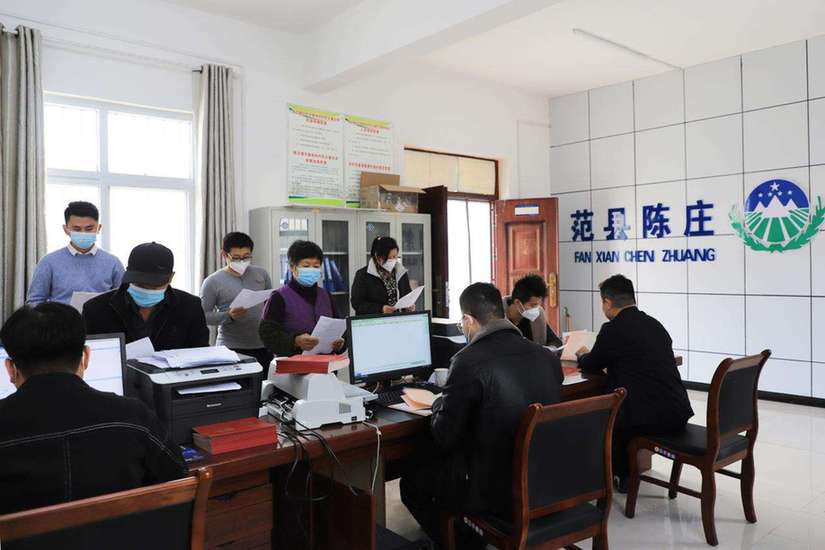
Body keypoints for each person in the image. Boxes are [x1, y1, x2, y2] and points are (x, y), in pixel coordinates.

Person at [400, 283, 563, 549]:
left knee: (413, 482)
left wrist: (438, 402)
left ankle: (464, 542)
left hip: (495, 489)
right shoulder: (545, 356)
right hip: (546, 476)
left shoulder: (467, 361)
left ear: (468, 319)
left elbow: (444, 437)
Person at [0, 302, 186, 514]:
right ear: (86, 357)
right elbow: (178, 477)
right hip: (125, 533)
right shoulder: (134, 416)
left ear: (10, 368)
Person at [577, 274, 693, 491]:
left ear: (607, 302)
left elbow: (592, 364)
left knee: (606, 413)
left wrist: (581, 355)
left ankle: (620, 476)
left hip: (648, 421)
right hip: (677, 412)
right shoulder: (655, 325)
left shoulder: (612, 329)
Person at [83, 242, 209, 351]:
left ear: (171, 277)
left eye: (155, 286)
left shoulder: (190, 306)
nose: (147, 290)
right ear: (128, 274)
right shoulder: (95, 309)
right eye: (140, 284)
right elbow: (85, 356)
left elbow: (201, 353)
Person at [27, 201, 125, 305]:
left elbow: (123, 300)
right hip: (61, 315)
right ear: (66, 229)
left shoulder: (113, 263)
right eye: (77, 229)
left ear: (98, 228)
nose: (83, 233)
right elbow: (34, 301)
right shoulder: (48, 262)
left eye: (89, 229)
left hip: (100, 315)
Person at [259, 240, 345, 357]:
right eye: (306, 266)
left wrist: (340, 344)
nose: (312, 270)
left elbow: (339, 327)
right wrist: (295, 341)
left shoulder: (326, 295)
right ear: (292, 267)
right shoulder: (278, 297)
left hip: (326, 363)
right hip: (293, 364)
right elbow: (268, 335)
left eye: (316, 266)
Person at [201, 232, 273, 367]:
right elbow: (202, 316)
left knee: (265, 380)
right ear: (224, 255)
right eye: (236, 258)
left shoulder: (261, 274)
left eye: (246, 257)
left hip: (263, 345)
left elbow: (270, 303)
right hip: (230, 347)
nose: (241, 261)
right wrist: (228, 316)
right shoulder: (212, 281)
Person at [351, 236, 413, 315]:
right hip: (374, 320)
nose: (394, 260)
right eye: (391, 257)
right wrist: (381, 309)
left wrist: (409, 305)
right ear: (379, 258)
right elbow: (357, 303)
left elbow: (407, 295)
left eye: (396, 256)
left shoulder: (400, 271)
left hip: (398, 319)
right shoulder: (363, 275)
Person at [503, 274, 563, 347]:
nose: (536, 309)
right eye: (533, 305)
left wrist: (550, 348)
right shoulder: (497, 318)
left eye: (538, 305)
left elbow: (555, 342)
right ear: (517, 303)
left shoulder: (538, 316)